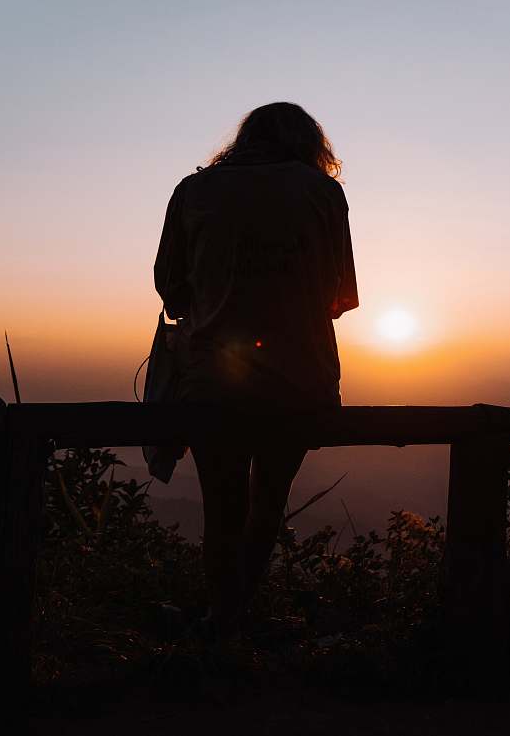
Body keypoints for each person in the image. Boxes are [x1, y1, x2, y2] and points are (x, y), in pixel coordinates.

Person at [153, 102, 358, 638]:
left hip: (212, 382)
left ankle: (221, 624)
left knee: (223, 507)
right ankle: (235, 618)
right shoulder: (323, 194)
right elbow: (340, 297)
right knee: (269, 502)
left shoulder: (195, 191)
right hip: (300, 380)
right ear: (312, 145)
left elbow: (170, 290)